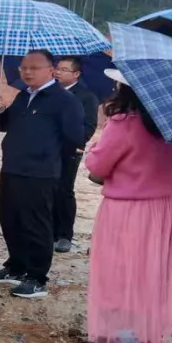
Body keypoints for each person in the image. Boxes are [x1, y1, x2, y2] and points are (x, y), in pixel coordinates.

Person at [54, 81, 172, 343]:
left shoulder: (124, 122)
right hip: (164, 208)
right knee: (149, 274)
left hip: (129, 209)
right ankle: (147, 340)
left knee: (116, 274)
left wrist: (99, 143)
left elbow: (97, 165)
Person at [0, 49, 84, 299]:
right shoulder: (23, 96)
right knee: (10, 219)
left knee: (36, 224)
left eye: (34, 68)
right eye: (24, 68)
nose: (27, 72)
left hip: (41, 172)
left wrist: (47, 156)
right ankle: (16, 266)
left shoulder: (64, 100)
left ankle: (37, 278)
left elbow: (74, 138)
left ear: (51, 70)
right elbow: (4, 125)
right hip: (12, 167)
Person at [52, 56, 100, 253]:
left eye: (64, 69)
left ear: (76, 74)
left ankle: (64, 235)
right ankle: (47, 231)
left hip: (69, 151)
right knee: (45, 190)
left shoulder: (87, 97)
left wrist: (73, 142)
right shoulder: (49, 92)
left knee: (64, 191)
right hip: (45, 150)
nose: (58, 72)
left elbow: (89, 126)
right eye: (57, 68)